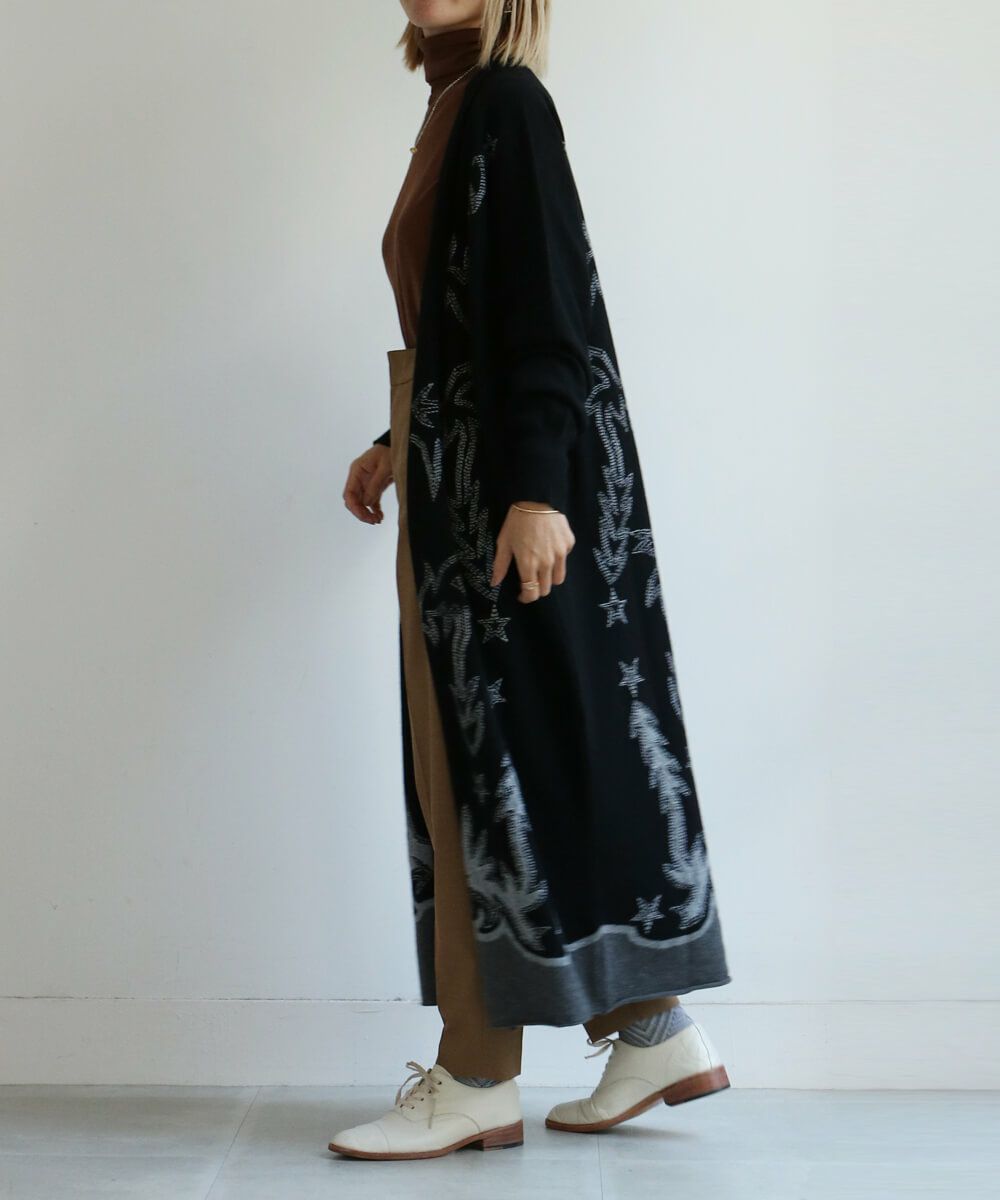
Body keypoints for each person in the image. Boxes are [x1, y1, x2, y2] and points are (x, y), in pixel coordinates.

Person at [333, 0, 731, 1161]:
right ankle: (650, 1030)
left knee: (478, 769)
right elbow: (472, 320)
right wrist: (396, 438)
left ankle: (475, 1076)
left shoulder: (503, 102)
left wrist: (539, 492)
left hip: (508, 491)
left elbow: (547, 310)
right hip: (471, 472)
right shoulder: (457, 104)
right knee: (550, 748)